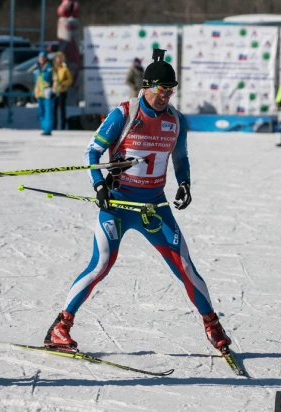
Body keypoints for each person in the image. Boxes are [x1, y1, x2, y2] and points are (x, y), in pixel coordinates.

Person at [43, 49, 232, 354]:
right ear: (146, 86)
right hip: (118, 204)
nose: (165, 96)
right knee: (101, 264)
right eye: (161, 90)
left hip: (154, 207)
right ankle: (60, 328)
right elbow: (91, 153)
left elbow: (180, 157)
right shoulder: (125, 114)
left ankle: (212, 325)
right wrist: (100, 186)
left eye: (171, 91)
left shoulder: (175, 120)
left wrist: (184, 182)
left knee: (185, 267)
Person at [34, 52, 54, 136]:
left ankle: (47, 129)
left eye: (43, 58)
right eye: (40, 58)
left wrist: (53, 90)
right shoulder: (37, 69)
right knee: (41, 111)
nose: (42, 59)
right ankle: (43, 127)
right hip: (40, 93)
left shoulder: (50, 67)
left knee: (48, 112)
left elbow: (52, 79)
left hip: (47, 93)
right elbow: (37, 82)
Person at [52, 51, 73, 130]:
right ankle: (54, 125)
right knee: (54, 110)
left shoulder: (65, 68)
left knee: (62, 109)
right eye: (57, 58)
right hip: (54, 91)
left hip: (62, 91)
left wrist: (63, 83)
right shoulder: (53, 68)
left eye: (60, 58)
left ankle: (63, 126)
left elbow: (70, 80)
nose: (59, 60)